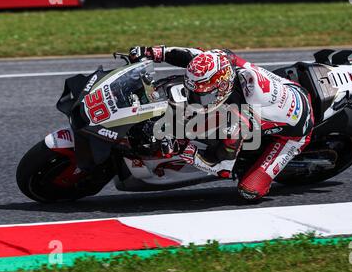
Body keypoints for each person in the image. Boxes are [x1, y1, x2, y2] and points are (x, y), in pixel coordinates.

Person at [129, 46, 314, 200]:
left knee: (249, 191)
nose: (195, 99)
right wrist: (152, 52)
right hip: (288, 87)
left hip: (295, 130)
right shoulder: (222, 61)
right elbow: (193, 55)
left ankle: (265, 163)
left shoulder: (240, 118)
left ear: (223, 88)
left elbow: (222, 168)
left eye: (203, 95)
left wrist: (182, 149)